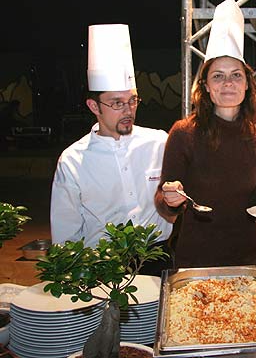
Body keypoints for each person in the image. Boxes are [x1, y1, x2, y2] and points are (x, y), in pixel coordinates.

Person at [154, 0, 256, 267]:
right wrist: (170, 198)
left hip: (248, 258)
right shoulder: (183, 133)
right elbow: (163, 200)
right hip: (195, 258)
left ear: (247, 85)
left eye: (236, 75)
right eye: (218, 76)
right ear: (206, 86)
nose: (228, 83)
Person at [50, 24, 173, 276]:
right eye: (117, 103)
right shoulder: (73, 160)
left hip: (158, 259)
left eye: (132, 100)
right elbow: (65, 232)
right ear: (94, 106)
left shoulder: (160, 142)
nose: (128, 110)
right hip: (102, 265)